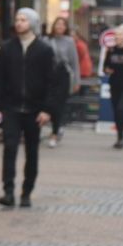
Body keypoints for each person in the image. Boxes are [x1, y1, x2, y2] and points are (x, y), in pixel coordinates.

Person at [0, 8, 64, 208]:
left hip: (34, 109)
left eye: (23, 19)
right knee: (10, 148)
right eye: (17, 19)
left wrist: (47, 110)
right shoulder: (6, 49)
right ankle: (8, 191)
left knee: (32, 152)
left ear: (32, 23)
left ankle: (26, 192)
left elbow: (52, 82)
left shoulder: (44, 50)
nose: (19, 23)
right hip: (11, 107)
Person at [45, 17, 80, 148]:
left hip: (63, 75)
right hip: (49, 75)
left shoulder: (69, 42)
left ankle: (54, 133)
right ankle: (57, 127)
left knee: (59, 105)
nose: (59, 27)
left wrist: (77, 81)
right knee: (50, 104)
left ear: (66, 28)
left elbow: (74, 62)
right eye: (57, 24)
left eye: (62, 25)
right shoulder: (47, 40)